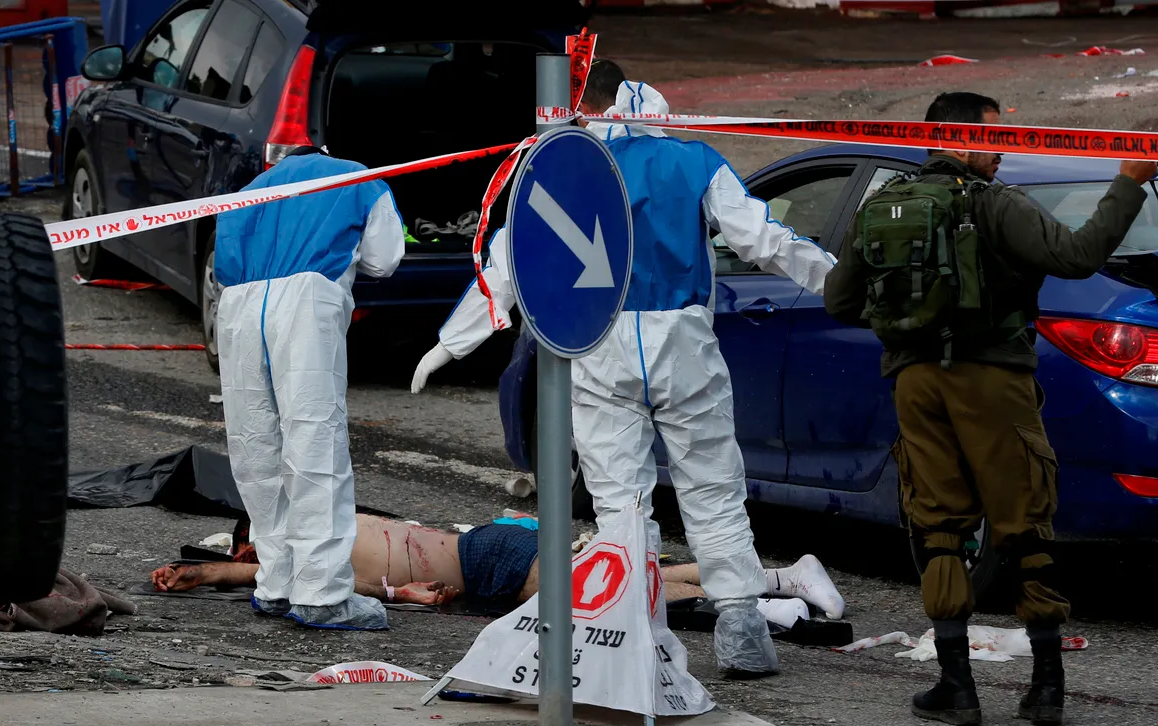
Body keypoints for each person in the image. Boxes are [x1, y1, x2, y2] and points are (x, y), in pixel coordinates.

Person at [410, 61, 838, 676]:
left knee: (620, 499)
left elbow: (509, 266)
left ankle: (634, 635)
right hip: (683, 341)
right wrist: (839, 280)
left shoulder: (557, 169)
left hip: (597, 343)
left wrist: (451, 344)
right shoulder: (692, 162)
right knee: (712, 486)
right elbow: (763, 240)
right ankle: (741, 627)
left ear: (578, 106)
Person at [823, 91, 1158, 726]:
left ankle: (956, 686)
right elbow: (1078, 256)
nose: (1003, 147)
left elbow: (840, 303)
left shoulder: (882, 208)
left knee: (938, 524)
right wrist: (1128, 183)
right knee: (1025, 520)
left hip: (915, 384)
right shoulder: (995, 204)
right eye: (992, 136)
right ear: (953, 138)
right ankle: (1047, 686)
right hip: (994, 380)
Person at [215, 145, 406, 631]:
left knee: (254, 447)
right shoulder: (358, 174)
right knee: (315, 441)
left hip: (237, 308)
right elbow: (385, 260)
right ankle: (322, 594)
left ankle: (277, 583)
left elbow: (222, 267)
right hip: (305, 300)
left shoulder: (250, 190)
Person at [150, 513, 846, 628]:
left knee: (628, 588)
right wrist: (200, 574)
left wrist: (205, 575)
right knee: (632, 574)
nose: (251, 564)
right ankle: (779, 581)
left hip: (487, 558)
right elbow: (251, 575)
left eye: (246, 551)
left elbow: (284, 577)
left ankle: (773, 593)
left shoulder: (301, 543)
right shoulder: (324, 515)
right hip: (488, 551)